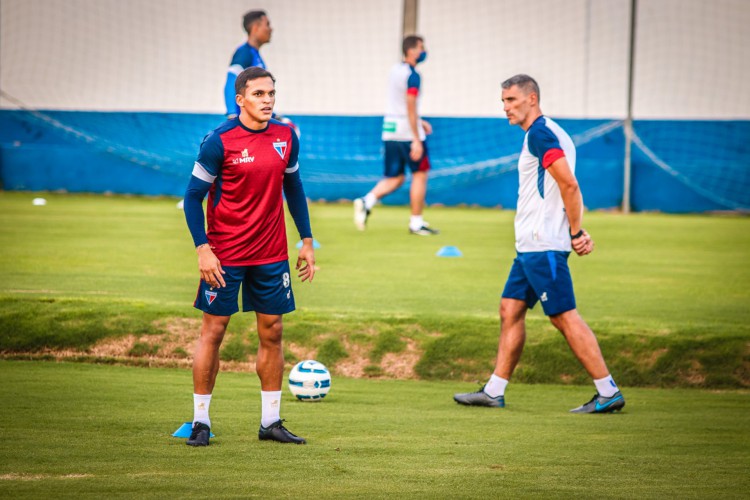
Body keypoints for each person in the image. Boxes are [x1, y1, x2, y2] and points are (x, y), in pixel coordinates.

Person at [453, 74, 625, 414]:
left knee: (563, 317)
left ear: (532, 98)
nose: (506, 107)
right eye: (503, 101)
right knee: (510, 309)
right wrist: (575, 228)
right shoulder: (550, 132)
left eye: (512, 100)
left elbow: (569, 185)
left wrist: (575, 232)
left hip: (542, 244)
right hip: (531, 246)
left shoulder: (541, 134)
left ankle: (608, 391)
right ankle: (494, 390)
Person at [183, 67, 315, 446]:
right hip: (224, 254)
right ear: (240, 99)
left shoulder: (286, 136)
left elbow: (294, 187)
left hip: (271, 253)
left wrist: (306, 240)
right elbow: (193, 197)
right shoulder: (218, 141)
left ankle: (270, 422)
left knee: (273, 331)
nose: (268, 100)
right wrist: (203, 249)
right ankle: (201, 422)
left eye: (271, 93)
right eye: (259, 94)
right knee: (214, 331)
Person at [353, 35, 438, 235]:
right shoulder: (413, 75)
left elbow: (399, 102)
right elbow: (409, 103)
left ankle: (367, 201)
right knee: (420, 174)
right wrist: (416, 138)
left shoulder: (394, 70)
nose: (424, 51)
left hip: (390, 128)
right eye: (421, 47)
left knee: (397, 177)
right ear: (411, 50)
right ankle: (416, 223)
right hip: (407, 132)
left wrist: (420, 121)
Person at [224, 10, 272, 119]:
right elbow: (231, 80)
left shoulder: (256, 55)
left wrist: (275, 116)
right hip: (243, 122)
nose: (271, 29)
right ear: (255, 28)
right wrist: (232, 115)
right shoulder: (244, 53)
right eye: (267, 25)